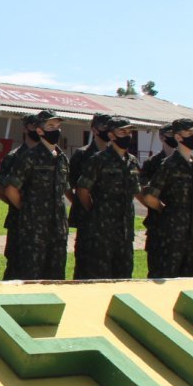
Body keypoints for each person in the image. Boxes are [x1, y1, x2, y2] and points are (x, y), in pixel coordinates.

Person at [3, 110, 69, 280]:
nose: (56, 130)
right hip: (34, 230)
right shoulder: (29, 157)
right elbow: (11, 189)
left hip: (58, 229)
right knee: (31, 276)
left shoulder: (62, 159)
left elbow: (63, 190)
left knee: (56, 277)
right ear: (40, 131)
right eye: (50, 126)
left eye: (58, 126)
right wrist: (28, 211)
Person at [75, 116, 144, 279]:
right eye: (122, 131)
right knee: (100, 276)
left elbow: (136, 190)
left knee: (124, 275)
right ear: (111, 135)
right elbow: (83, 189)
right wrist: (94, 212)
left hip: (125, 231)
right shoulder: (99, 159)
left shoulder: (132, 161)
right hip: (101, 231)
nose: (127, 135)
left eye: (129, 131)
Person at [142, 118, 193, 278]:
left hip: (192, 235)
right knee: (166, 278)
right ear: (177, 137)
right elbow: (149, 196)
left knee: (191, 281)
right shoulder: (169, 164)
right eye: (188, 133)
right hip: (170, 235)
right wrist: (166, 211)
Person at [0, 113, 40, 280]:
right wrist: (21, 206)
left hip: (46, 225)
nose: (37, 129)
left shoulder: (53, 156)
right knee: (16, 265)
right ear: (26, 128)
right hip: (19, 222)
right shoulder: (14, 156)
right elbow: (0, 187)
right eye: (34, 125)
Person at [69, 113, 112, 278]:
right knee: (86, 263)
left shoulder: (116, 156)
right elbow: (71, 185)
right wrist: (85, 206)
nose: (108, 131)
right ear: (94, 130)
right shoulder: (82, 154)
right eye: (104, 127)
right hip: (87, 218)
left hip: (111, 219)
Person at [140, 122, 176, 276]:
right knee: (158, 273)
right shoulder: (153, 163)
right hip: (158, 225)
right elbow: (143, 191)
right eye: (170, 135)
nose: (174, 138)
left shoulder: (190, 163)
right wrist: (161, 209)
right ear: (162, 137)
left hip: (183, 229)